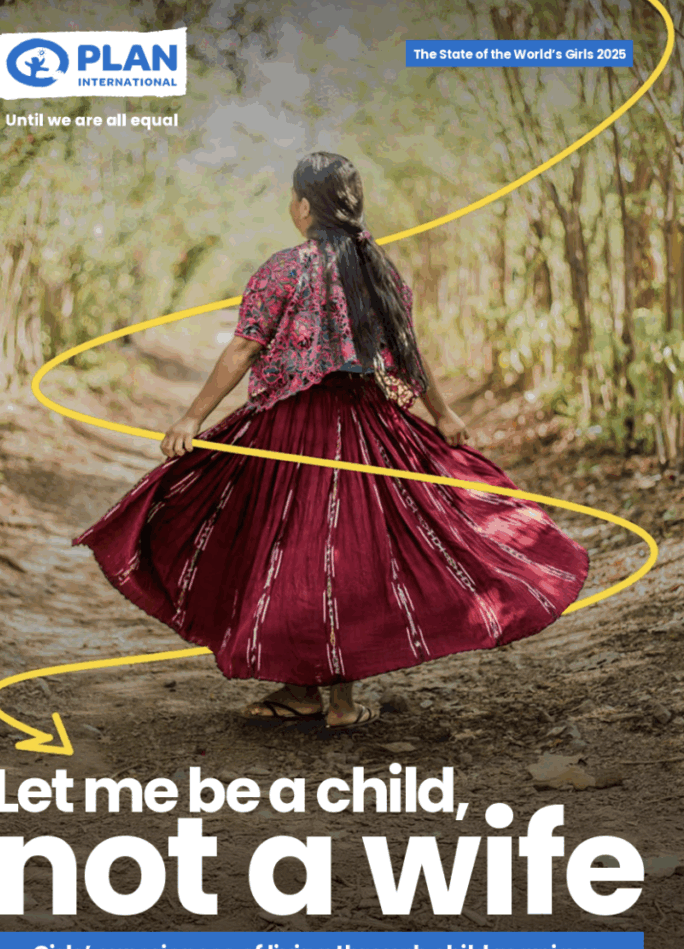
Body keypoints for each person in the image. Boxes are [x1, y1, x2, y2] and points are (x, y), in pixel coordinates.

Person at [73, 152, 588, 731]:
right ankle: (318, 695)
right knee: (339, 553)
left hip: (292, 427)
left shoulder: (283, 269)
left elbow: (245, 347)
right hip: (368, 424)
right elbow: (407, 354)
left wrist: (191, 418)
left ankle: (325, 697)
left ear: (301, 207)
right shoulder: (380, 271)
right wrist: (442, 415)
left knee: (293, 551)